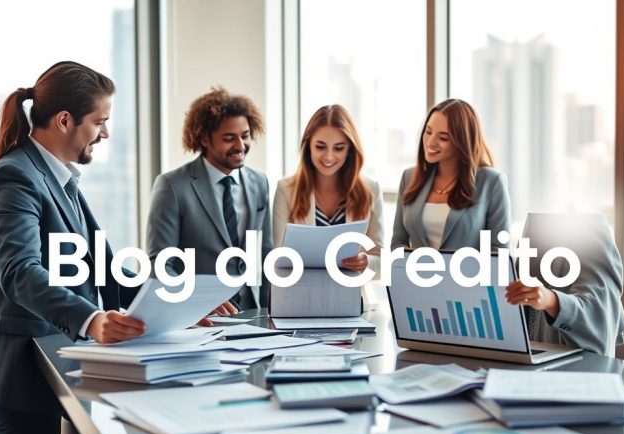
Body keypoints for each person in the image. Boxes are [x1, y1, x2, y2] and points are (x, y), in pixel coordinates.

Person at [0, 61, 145, 434]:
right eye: (100, 122)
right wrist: (92, 319)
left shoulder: (60, 179)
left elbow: (104, 267)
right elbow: (20, 272)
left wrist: (178, 297)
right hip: (22, 369)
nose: (105, 133)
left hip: (59, 355)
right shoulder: (14, 177)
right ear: (65, 120)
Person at [147, 87, 272, 310]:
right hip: (200, 317)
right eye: (229, 138)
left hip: (254, 313)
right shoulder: (172, 186)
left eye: (245, 136)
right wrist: (198, 299)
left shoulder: (259, 183)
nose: (240, 146)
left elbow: (265, 254)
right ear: (205, 138)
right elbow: (160, 264)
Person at [273, 104, 384, 273]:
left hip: (353, 294)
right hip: (300, 294)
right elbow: (279, 259)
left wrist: (366, 262)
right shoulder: (286, 190)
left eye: (339, 148)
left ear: (350, 150)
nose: (329, 156)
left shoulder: (371, 190)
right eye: (320, 146)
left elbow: (382, 261)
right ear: (308, 145)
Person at [391, 98, 510, 251]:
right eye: (428, 132)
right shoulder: (409, 177)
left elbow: (500, 251)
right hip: (415, 274)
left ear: (462, 142)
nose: (430, 142)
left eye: (443, 138)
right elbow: (398, 243)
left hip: (469, 275)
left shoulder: (491, 182)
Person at [504, 213, 624, 355]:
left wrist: (551, 300)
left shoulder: (588, 227)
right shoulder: (536, 226)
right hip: (534, 362)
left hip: (576, 369)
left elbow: (597, 314)